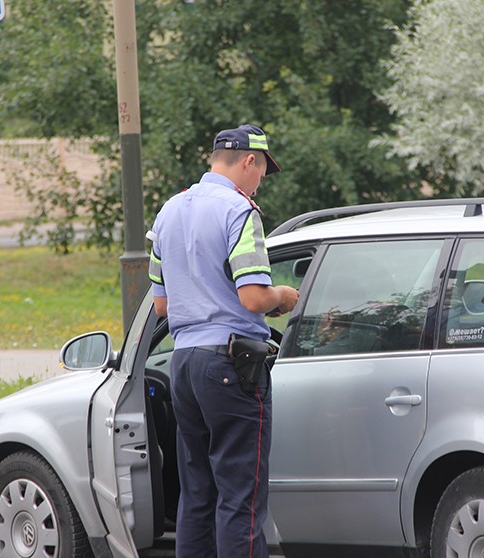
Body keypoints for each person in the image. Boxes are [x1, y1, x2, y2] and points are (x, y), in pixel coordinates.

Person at [147, 124, 300, 557]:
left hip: (184, 364)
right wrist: (283, 297)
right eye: (262, 173)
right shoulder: (239, 212)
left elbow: (161, 306)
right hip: (231, 367)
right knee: (241, 498)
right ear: (250, 161)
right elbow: (253, 296)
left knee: (197, 495)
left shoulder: (169, 211)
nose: (260, 183)